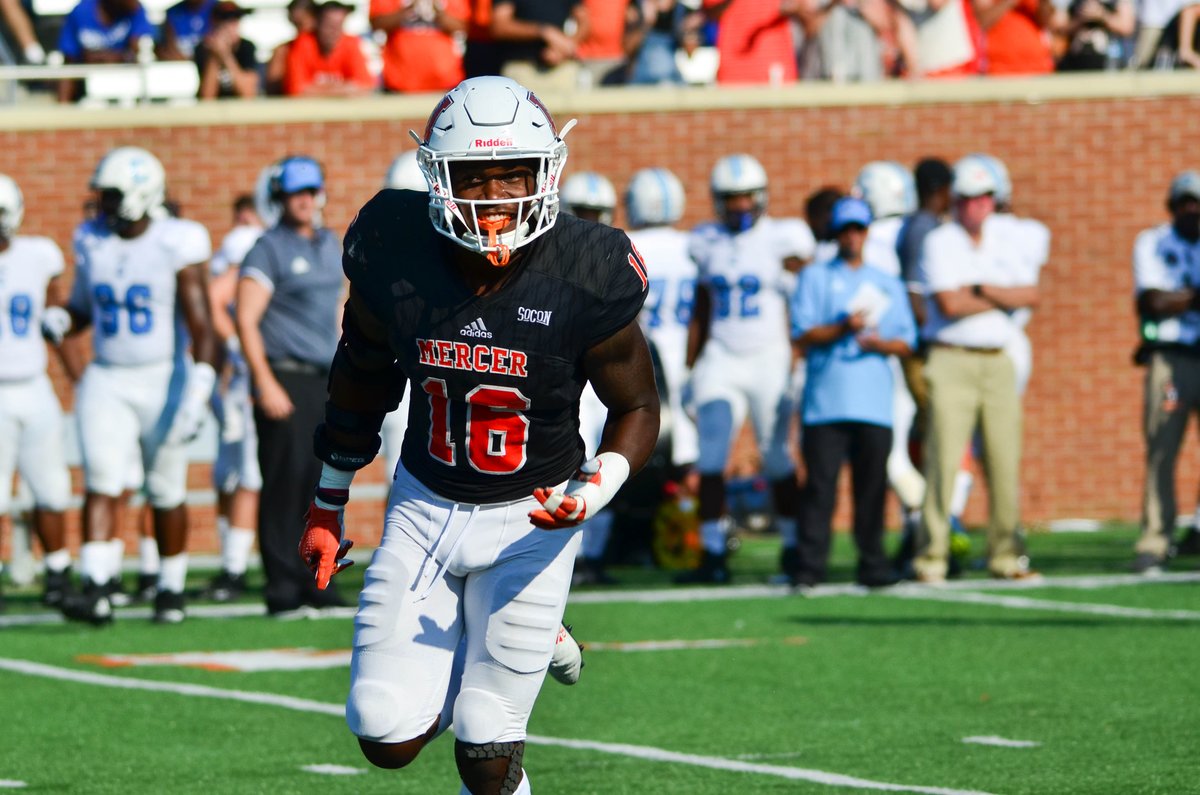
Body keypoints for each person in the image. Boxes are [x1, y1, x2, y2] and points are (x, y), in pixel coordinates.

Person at [297, 75, 658, 794]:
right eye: (475, 176)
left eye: (513, 175)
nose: (495, 196)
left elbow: (638, 405)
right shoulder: (393, 248)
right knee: (383, 731)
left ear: (547, 171)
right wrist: (328, 500)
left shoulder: (585, 267)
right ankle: (504, 637)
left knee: (486, 745)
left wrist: (597, 486)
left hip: (534, 511)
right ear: (438, 177)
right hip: (425, 503)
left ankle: (523, 636)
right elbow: (362, 374)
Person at [46, 146, 218, 624]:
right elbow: (84, 305)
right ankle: (97, 587)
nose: (101, 206)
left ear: (141, 194)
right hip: (108, 376)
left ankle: (170, 589)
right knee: (100, 480)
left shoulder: (175, 242)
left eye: (112, 195)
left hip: (163, 375)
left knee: (165, 489)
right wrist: (64, 318)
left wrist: (197, 393)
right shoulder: (92, 240)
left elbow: (203, 328)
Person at [679, 153, 815, 585]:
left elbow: (803, 297)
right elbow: (701, 308)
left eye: (746, 198)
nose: (739, 207)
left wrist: (800, 354)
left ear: (761, 198)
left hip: (768, 357)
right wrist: (689, 366)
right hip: (722, 355)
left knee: (777, 457)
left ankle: (793, 547)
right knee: (711, 456)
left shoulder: (784, 238)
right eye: (731, 199)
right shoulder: (705, 240)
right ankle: (713, 554)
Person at [912, 156, 1039, 583]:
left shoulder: (1008, 236)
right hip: (952, 356)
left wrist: (980, 289)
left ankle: (1007, 554)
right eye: (966, 198)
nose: (975, 207)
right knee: (944, 460)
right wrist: (1000, 295)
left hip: (998, 358)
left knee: (1005, 460)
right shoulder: (940, 239)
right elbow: (949, 303)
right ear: (955, 200)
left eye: (983, 198)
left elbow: (1031, 293)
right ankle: (932, 555)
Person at [236, 155, 346, 617]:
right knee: (286, 480)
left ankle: (319, 578)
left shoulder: (329, 244)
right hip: (284, 375)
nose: (304, 201)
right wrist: (263, 381)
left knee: (324, 484)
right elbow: (245, 318)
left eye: (310, 191)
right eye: (295, 193)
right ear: (281, 198)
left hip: (324, 377)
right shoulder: (269, 248)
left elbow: (340, 308)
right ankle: (282, 584)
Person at [791, 197, 915, 589]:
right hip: (826, 403)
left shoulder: (886, 282)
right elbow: (804, 333)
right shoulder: (814, 277)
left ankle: (873, 564)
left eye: (859, 229)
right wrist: (843, 327)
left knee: (872, 489)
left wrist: (879, 344)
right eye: (845, 230)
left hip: (873, 402)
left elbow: (907, 341)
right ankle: (810, 567)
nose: (852, 237)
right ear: (835, 234)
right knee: (820, 489)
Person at [0, 174, 74, 609]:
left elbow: (55, 307)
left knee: (51, 489)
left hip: (33, 384)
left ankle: (59, 573)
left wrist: (58, 320)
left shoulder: (38, 255)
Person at [1130, 170, 1200, 575]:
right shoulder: (1155, 242)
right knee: (1162, 450)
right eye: (1185, 202)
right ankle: (1155, 538)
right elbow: (1153, 300)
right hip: (1171, 356)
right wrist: (1192, 297)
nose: (1192, 211)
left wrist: (1182, 299)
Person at [560, 170, 619, 584]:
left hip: (601, 372)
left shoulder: (615, 255)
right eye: (582, 214)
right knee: (565, 459)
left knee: (602, 459)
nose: (590, 222)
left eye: (596, 214)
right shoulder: (553, 256)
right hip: (566, 374)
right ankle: (565, 551)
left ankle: (593, 554)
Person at [204, 193, 263, 601]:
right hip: (249, 377)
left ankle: (234, 562)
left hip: (246, 377)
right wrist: (239, 344)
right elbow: (216, 297)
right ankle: (234, 565)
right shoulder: (250, 243)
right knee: (243, 474)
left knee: (238, 473)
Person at [55, 0, 156, 103]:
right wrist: (63, 104)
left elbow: (139, 52)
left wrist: (115, 57)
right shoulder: (81, 11)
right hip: (88, 91)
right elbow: (69, 62)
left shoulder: (135, 10)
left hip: (126, 88)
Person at [370, 0, 469, 93]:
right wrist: (409, 9)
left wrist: (437, 11)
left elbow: (462, 25)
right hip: (400, 82)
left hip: (444, 81)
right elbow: (376, 22)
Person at [490, 0, 589, 93]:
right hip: (522, 68)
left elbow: (584, 22)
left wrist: (563, 48)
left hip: (561, 69)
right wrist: (543, 32)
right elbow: (499, 26)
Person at [283, 0, 376, 97]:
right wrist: (344, 90)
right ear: (316, 24)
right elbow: (296, 90)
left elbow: (365, 86)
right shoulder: (303, 43)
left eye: (339, 26)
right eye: (329, 26)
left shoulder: (351, 43)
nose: (334, 32)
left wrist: (316, 89)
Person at [195, 0, 261, 99]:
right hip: (213, 111)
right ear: (214, 23)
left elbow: (247, 94)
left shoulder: (247, 47)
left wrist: (226, 55)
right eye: (225, 19)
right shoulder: (203, 48)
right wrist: (215, 56)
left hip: (242, 110)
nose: (231, 26)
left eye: (235, 19)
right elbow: (207, 97)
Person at [265, 0, 316, 94]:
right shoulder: (283, 51)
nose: (302, 35)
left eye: (303, 24)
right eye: (297, 26)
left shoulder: (336, 48)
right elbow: (272, 89)